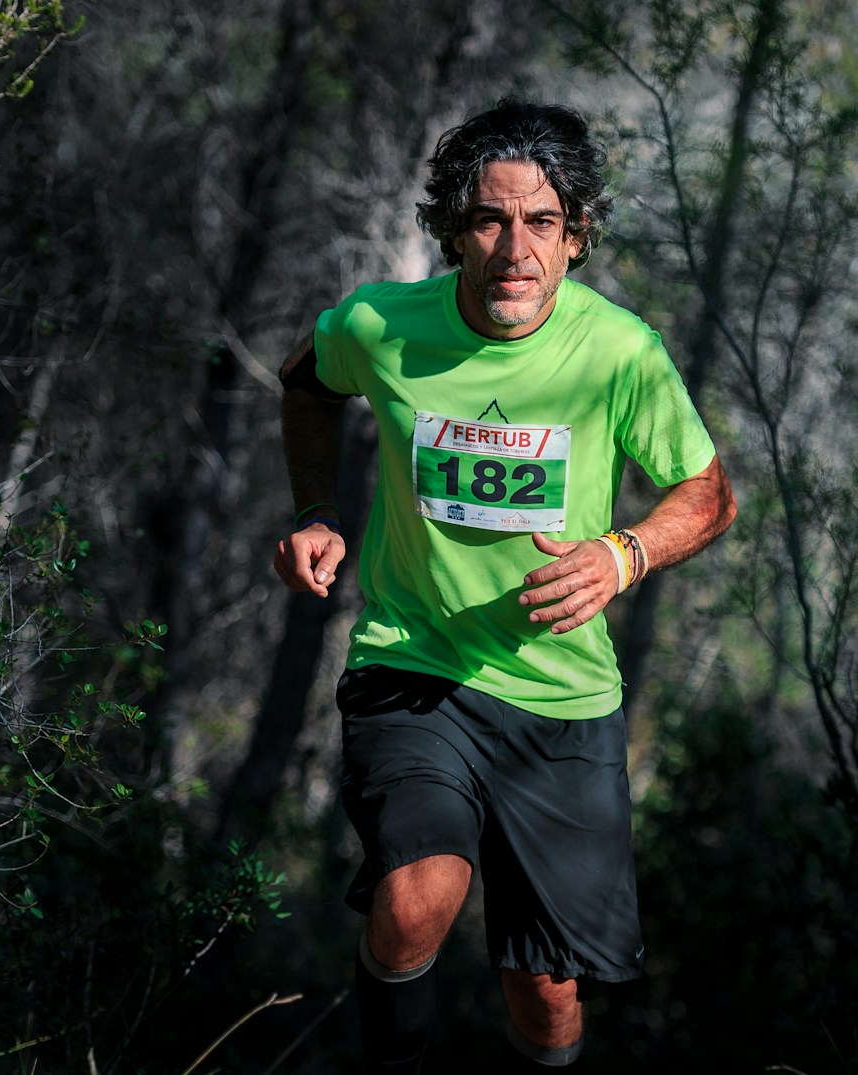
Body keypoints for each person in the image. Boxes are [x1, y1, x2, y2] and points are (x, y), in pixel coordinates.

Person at [272, 97, 736, 1072]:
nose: (513, 247)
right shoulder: (381, 326)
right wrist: (317, 510)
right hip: (416, 662)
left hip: (561, 699)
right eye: (488, 219)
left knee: (545, 987)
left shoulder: (618, 353)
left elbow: (707, 492)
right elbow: (307, 383)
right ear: (452, 231)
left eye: (541, 222)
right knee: (415, 897)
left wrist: (623, 554)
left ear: (576, 239)